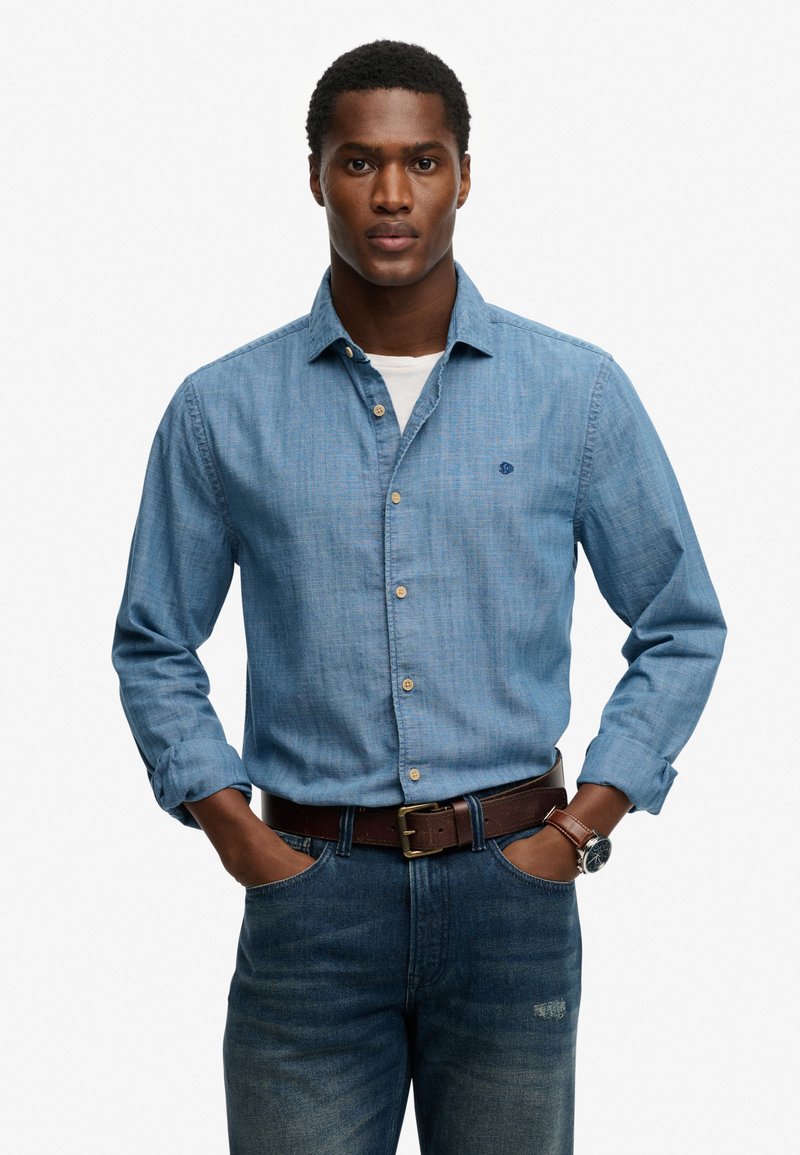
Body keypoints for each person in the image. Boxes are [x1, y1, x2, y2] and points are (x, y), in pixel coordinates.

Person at [112, 40, 726, 1155]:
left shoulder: (576, 393)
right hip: (310, 906)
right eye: (359, 162)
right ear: (315, 177)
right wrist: (233, 830)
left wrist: (583, 825)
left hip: (513, 897)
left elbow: (679, 625)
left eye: (422, 161)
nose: (391, 194)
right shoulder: (220, 409)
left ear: (464, 175)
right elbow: (155, 643)